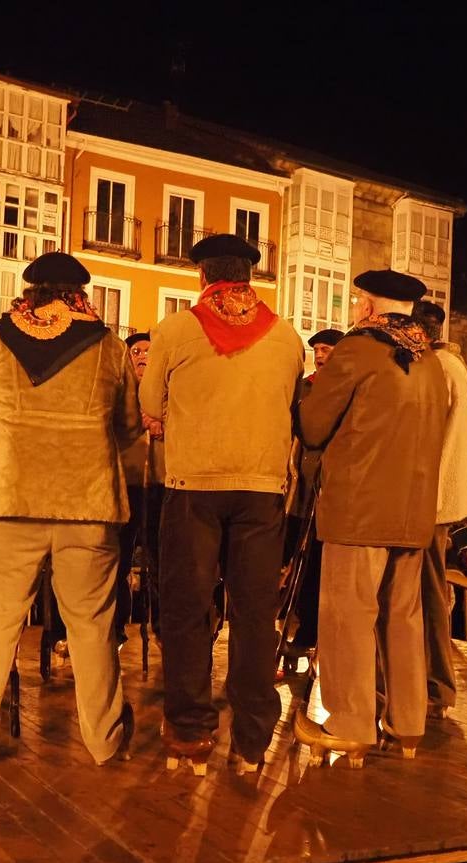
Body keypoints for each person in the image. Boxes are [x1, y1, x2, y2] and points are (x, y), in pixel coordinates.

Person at [0, 251, 139, 767]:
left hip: (13, 500)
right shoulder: (109, 346)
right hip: (89, 503)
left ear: (29, 292)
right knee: (92, 627)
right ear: (81, 293)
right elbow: (128, 425)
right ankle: (103, 741)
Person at [140, 233, 304, 775]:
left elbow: (148, 402)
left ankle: (190, 729)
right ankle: (253, 736)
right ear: (249, 277)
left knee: (188, 608)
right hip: (261, 487)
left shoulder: (176, 329)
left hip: (193, 484)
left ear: (203, 277)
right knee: (255, 612)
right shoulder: (286, 337)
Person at [294, 268, 447, 766]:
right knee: (403, 618)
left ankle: (350, 723)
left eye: (359, 300)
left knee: (348, 616)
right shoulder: (430, 361)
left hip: (359, 506)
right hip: (413, 508)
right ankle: (407, 726)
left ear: (368, 305)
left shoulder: (359, 349)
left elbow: (315, 426)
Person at [413, 299, 467, 721]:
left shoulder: (438, 367)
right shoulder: (449, 364)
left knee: (427, 591)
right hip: (436, 497)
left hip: (429, 497)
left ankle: (435, 685)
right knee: (429, 589)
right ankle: (433, 684)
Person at [281, 327, 344, 658]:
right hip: (298, 490)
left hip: (325, 490)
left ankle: (307, 634)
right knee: (286, 559)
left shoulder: (343, 389)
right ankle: (285, 623)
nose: (320, 356)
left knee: (316, 568)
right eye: (317, 350)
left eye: (327, 350)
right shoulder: (305, 387)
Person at [117, 331, 165, 645]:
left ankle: (162, 626)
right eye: (135, 351)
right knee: (119, 560)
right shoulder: (121, 395)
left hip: (159, 484)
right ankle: (117, 624)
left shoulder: (165, 393)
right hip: (127, 483)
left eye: (148, 351)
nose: (142, 356)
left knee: (159, 561)